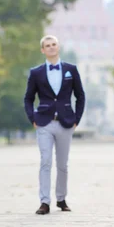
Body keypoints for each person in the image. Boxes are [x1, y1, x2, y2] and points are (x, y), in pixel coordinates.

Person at [24, 35, 85, 215]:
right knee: (45, 161)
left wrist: (77, 119)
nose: (51, 47)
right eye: (47, 45)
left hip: (66, 122)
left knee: (62, 164)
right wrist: (32, 117)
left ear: (58, 47)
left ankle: (61, 199)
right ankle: (44, 201)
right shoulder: (36, 72)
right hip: (44, 122)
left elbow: (80, 96)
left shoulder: (70, 70)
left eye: (54, 45)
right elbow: (28, 98)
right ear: (43, 50)